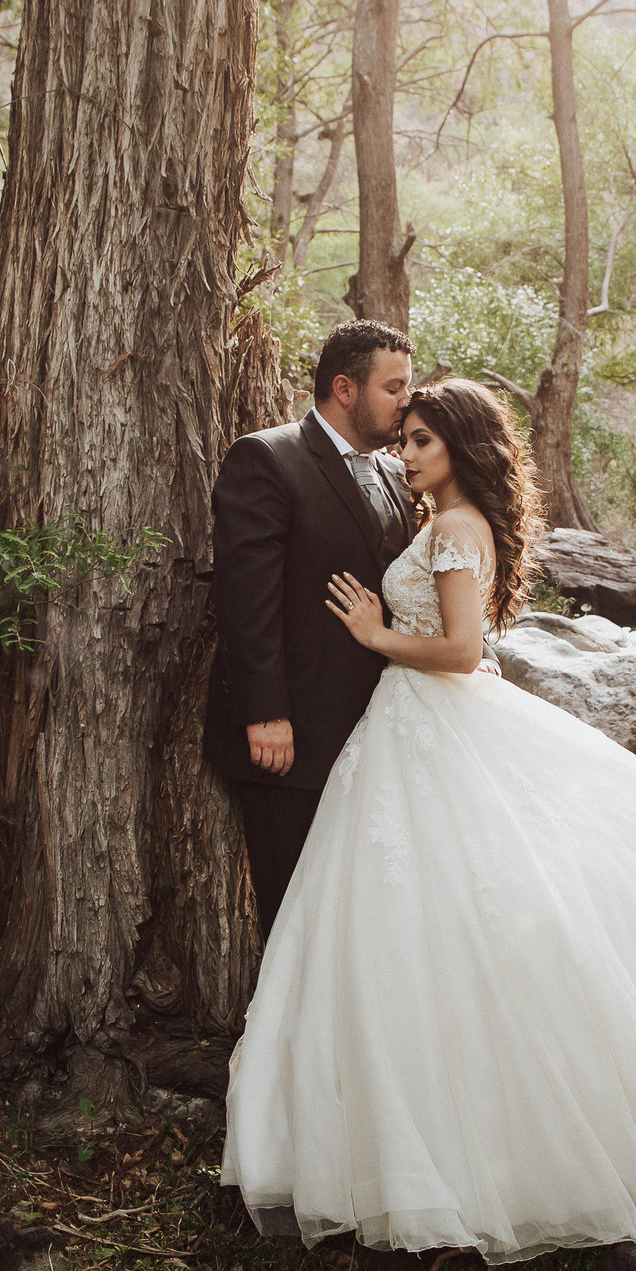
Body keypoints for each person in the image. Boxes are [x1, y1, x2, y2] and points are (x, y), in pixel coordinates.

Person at [220, 379, 636, 1263]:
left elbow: (460, 651)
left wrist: (378, 637)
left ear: (459, 447)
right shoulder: (440, 522)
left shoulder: (457, 530)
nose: (406, 455)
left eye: (422, 441)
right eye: (404, 439)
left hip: (435, 712)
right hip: (409, 730)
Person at [203, 320, 419, 937]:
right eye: (394, 386)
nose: (407, 399)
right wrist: (264, 713)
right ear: (345, 389)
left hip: (375, 733)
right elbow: (247, 598)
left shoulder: (392, 474)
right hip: (290, 738)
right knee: (295, 909)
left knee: (358, 910)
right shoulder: (268, 458)